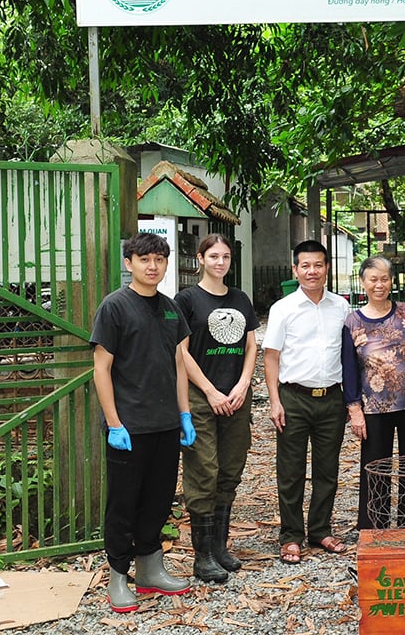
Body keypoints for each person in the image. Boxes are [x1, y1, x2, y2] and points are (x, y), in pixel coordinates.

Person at [91, 232, 196, 613]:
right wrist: (114, 422)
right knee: (123, 504)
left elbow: (179, 365)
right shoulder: (114, 307)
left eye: (159, 260)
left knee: (158, 499)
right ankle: (119, 576)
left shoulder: (171, 309)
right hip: (129, 428)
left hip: (165, 425)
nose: (153, 267)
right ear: (129, 263)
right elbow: (101, 369)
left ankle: (150, 568)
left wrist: (184, 414)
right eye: (144, 260)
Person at [175, 234, 258, 583]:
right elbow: (182, 352)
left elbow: (252, 345)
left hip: (236, 395)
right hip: (200, 395)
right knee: (204, 470)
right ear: (200, 259)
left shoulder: (240, 299)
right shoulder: (187, 299)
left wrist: (241, 386)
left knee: (230, 469)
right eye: (213, 256)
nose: (220, 262)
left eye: (225, 256)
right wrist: (209, 391)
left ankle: (220, 547)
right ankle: (202, 555)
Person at [263, 240, 351, 564]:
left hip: (331, 399)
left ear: (327, 268)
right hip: (293, 398)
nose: (312, 271)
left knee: (327, 469)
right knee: (291, 470)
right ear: (295, 270)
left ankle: (320, 529)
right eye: (305, 266)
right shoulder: (282, 309)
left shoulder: (341, 307)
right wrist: (275, 401)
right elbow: (271, 358)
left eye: (318, 265)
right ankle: (291, 536)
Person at [341, 256, 405, 530]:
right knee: (375, 468)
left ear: (391, 281)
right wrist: (354, 408)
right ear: (363, 283)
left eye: (384, 279)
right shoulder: (352, 322)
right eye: (373, 279)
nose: (379, 285)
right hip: (374, 408)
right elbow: (349, 368)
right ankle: (373, 527)